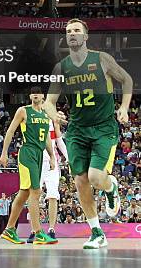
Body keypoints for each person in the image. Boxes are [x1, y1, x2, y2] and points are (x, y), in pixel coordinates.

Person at [43, 18, 133, 249]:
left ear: (85, 36)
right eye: (68, 31)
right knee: (80, 181)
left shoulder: (101, 59)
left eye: (76, 31)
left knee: (95, 177)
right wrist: (54, 114)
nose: (72, 34)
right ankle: (96, 232)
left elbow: (127, 79)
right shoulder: (61, 67)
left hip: (103, 127)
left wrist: (123, 107)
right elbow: (49, 102)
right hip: (77, 130)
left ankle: (111, 187)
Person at [0, 88, 57, 245]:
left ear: (43, 96)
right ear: (31, 96)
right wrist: (4, 152)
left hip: (39, 154)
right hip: (27, 153)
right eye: (33, 93)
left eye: (38, 92)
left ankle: (9, 229)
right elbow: (11, 131)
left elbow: (46, 138)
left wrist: (52, 156)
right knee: (36, 191)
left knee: (24, 193)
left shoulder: (46, 115)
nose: (36, 95)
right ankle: (38, 233)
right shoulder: (23, 111)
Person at [27, 117, 68, 242]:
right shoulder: (31, 118)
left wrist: (68, 158)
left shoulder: (53, 121)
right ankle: (34, 230)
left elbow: (59, 141)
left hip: (52, 163)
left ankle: (51, 229)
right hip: (36, 162)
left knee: (52, 195)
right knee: (33, 196)